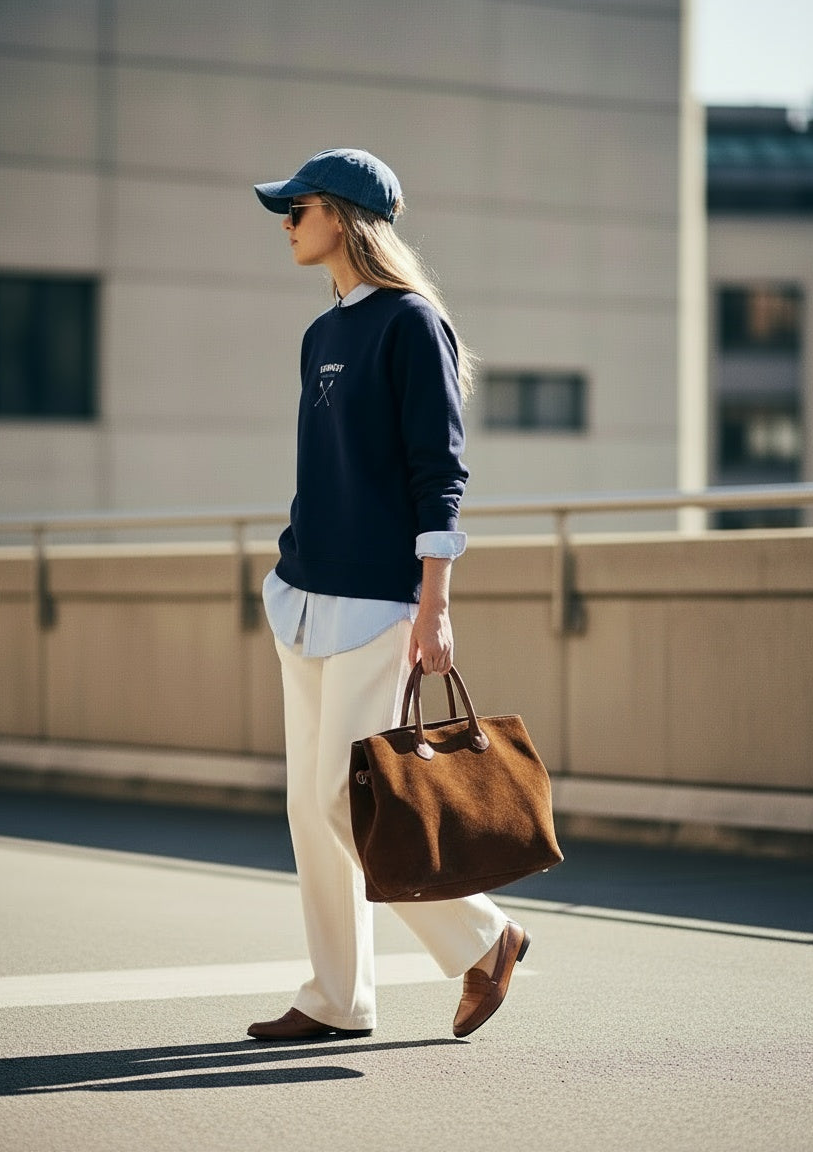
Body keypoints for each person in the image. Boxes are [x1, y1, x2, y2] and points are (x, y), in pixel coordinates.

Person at [248, 148, 529, 1041]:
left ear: (341, 215)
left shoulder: (412, 324)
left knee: (348, 796)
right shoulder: (322, 332)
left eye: (297, 207)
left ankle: (488, 940)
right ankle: (338, 997)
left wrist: (433, 603)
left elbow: (439, 471)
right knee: (308, 807)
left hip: (378, 602)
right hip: (304, 595)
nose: (286, 222)